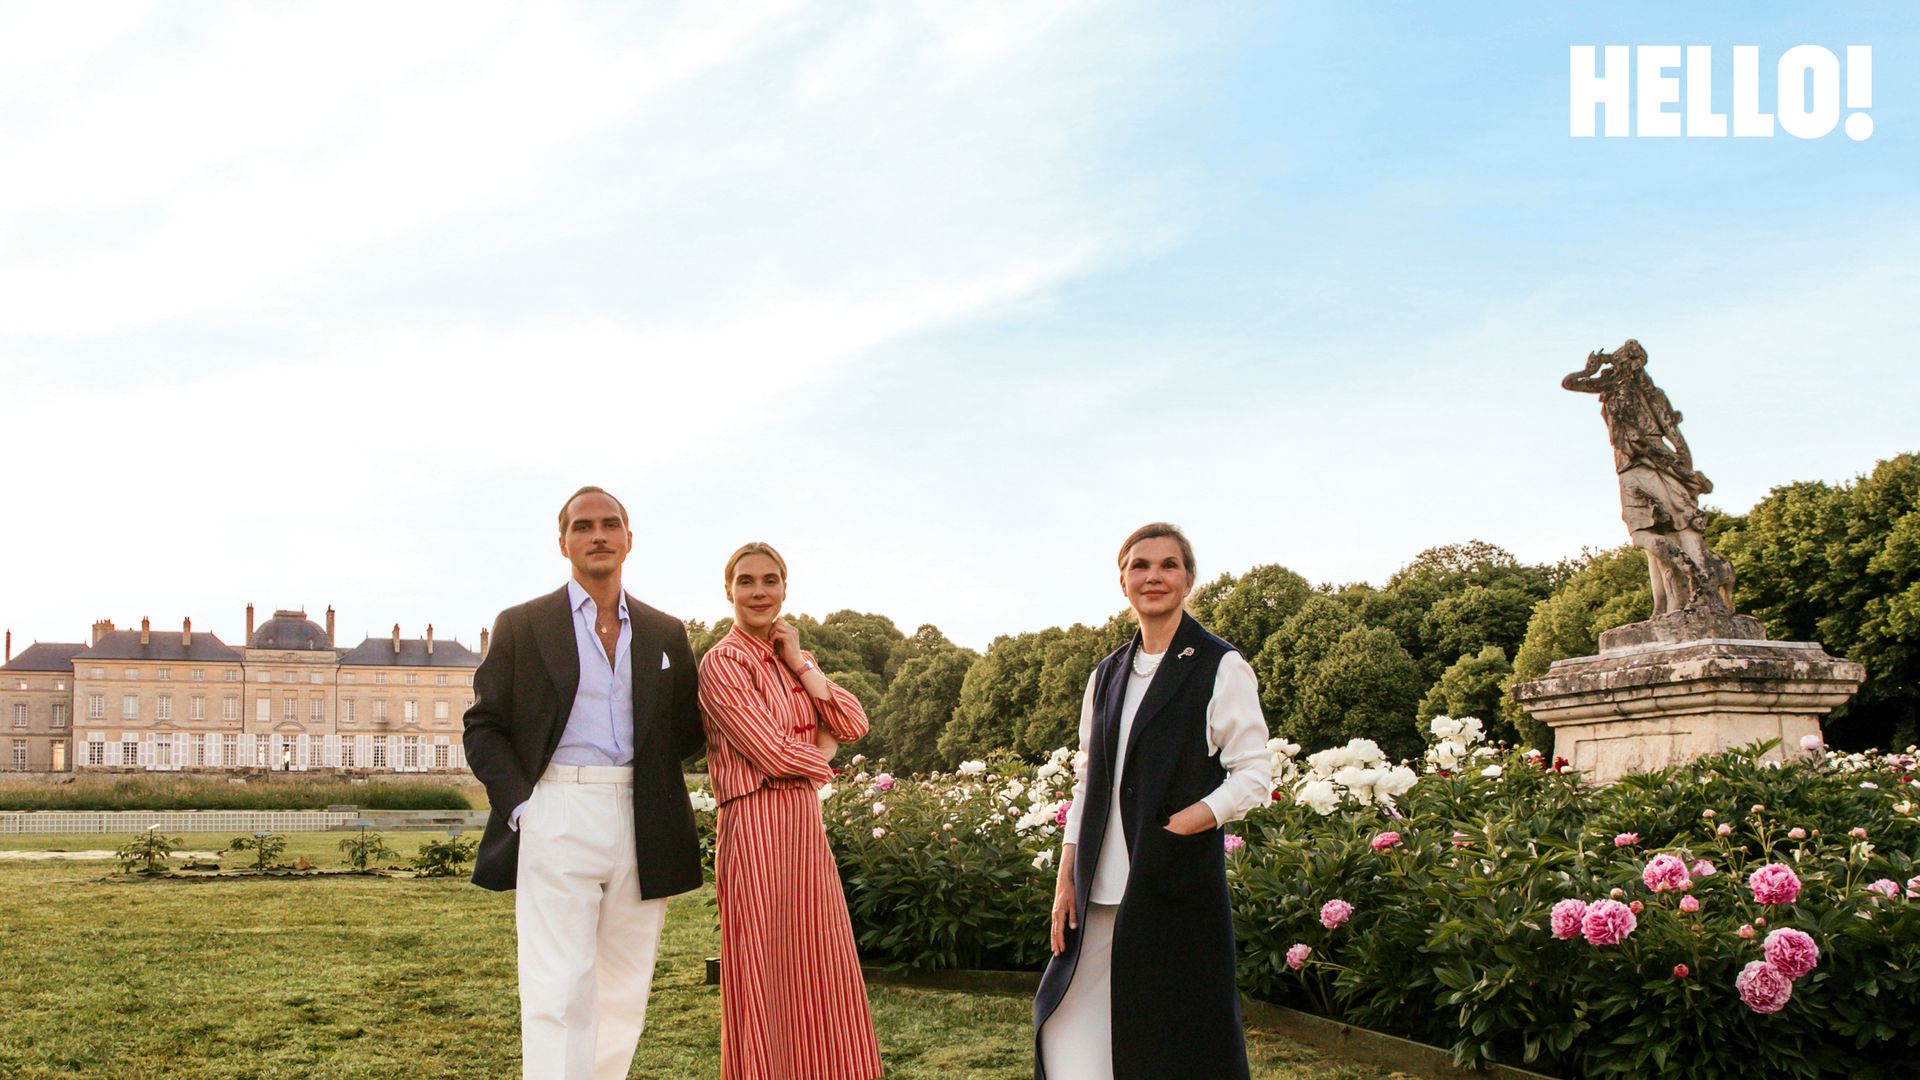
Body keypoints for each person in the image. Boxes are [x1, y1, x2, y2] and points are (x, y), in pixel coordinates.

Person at [463, 486, 707, 1080]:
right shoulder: (522, 624)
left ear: (628, 538)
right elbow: (483, 726)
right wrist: (525, 807)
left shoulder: (666, 631)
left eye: (609, 524)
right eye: (582, 525)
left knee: (624, 986)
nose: (597, 534)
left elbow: (688, 729)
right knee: (558, 984)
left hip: (642, 813)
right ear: (564, 541)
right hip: (556, 806)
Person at [1034, 523, 1273, 1080]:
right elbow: (1087, 778)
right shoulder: (1107, 673)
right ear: (1123, 582)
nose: (1154, 576)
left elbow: (1254, 774)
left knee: (1173, 1031)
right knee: (1068, 1019)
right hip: (1096, 882)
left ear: (1188, 579)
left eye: (1168, 565)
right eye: (1140, 566)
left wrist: (1190, 822)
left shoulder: (1220, 665)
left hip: (1170, 877)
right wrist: (1066, 876)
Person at [696, 542, 882, 1080]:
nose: (759, 592)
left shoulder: (792, 658)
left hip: (802, 822)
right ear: (729, 589)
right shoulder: (721, 663)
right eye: (747, 581)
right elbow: (771, 752)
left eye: (771, 581)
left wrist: (800, 664)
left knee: (818, 961)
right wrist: (822, 755)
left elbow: (852, 721)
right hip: (753, 824)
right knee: (762, 968)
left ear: (784, 588)